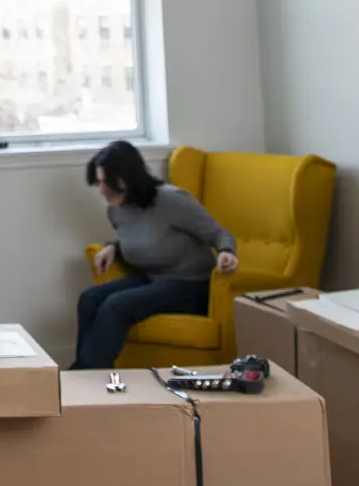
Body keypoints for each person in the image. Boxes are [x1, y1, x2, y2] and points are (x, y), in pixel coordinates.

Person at [70, 140, 240, 371]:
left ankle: (84, 377)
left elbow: (220, 234)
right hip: (154, 280)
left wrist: (226, 252)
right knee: (89, 298)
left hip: (192, 285)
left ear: (125, 178)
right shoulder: (117, 211)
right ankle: (87, 377)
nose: (101, 190)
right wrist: (114, 247)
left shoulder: (172, 200)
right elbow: (146, 237)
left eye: (104, 182)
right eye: (99, 183)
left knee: (116, 306)